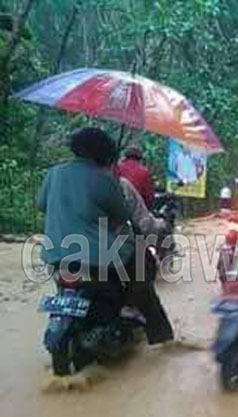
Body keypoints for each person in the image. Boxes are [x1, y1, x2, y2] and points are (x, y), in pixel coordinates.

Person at [38, 127, 174, 346]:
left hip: (55, 254)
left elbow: (41, 205)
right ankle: (161, 337)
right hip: (97, 256)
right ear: (105, 153)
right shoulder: (104, 179)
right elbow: (121, 216)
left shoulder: (54, 173)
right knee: (142, 269)